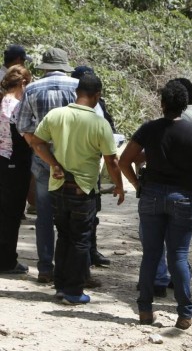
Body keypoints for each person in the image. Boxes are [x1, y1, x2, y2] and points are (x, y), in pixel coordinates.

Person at [119, 80, 192, 329]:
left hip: (151, 195)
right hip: (183, 196)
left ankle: (145, 311)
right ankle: (184, 314)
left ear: (162, 104)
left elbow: (124, 160)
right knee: (178, 256)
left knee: (151, 254)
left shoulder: (149, 129)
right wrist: (190, 167)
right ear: (184, 106)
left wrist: (137, 184)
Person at [29, 73, 125, 305]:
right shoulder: (99, 124)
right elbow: (111, 161)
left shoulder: (56, 115)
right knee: (81, 240)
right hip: (83, 190)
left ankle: (61, 286)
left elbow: (36, 142)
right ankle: (73, 291)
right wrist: (120, 186)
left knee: (63, 235)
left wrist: (53, 164)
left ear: (77, 92)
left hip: (58, 186)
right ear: (97, 95)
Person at [15, 47, 78, 283]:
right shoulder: (78, 87)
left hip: (43, 160)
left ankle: (45, 267)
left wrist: (38, 147)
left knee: (44, 214)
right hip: (74, 158)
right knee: (72, 213)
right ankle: (70, 268)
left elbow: (22, 126)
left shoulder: (31, 89)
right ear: (64, 66)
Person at [71, 65, 113, 268]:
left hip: (91, 166)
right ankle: (80, 263)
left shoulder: (100, 105)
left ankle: (90, 252)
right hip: (75, 168)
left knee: (92, 213)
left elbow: (110, 128)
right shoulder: (69, 106)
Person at [0, 66, 32, 274]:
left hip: (2, 160)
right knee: (12, 213)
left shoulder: (1, 101)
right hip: (14, 163)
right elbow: (25, 136)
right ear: (23, 83)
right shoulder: (16, 106)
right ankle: (7, 261)